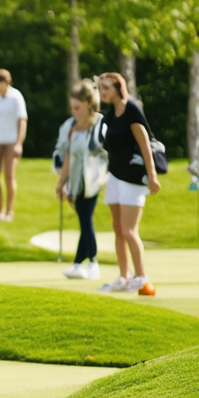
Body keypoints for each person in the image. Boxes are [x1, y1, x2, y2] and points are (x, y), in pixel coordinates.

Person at [97, 72, 161, 293]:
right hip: (115, 175)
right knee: (117, 229)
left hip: (133, 177)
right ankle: (124, 276)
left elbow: (144, 144)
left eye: (105, 88)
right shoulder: (110, 115)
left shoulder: (131, 110)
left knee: (129, 230)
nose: (101, 92)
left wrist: (152, 175)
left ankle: (141, 277)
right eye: (99, 88)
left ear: (117, 87)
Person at [54, 80, 109, 280]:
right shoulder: (72, 128)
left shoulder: (100, 124)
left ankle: (93, 262)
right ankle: (78, 264)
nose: (74, 111)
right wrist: (61, 183)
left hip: (93, 180)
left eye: (77, 107)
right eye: (72, 107)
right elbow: (68, 157)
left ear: (88, 103)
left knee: (85, 219)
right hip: (76, 182)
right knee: (84, 221)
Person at [0, 68, 27, 221]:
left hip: (12, 141)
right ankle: (0, 210)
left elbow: (22, 121)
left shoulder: (16, 97)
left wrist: (19, 144)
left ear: (3, 82)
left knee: (9, 177)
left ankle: (10, 211)